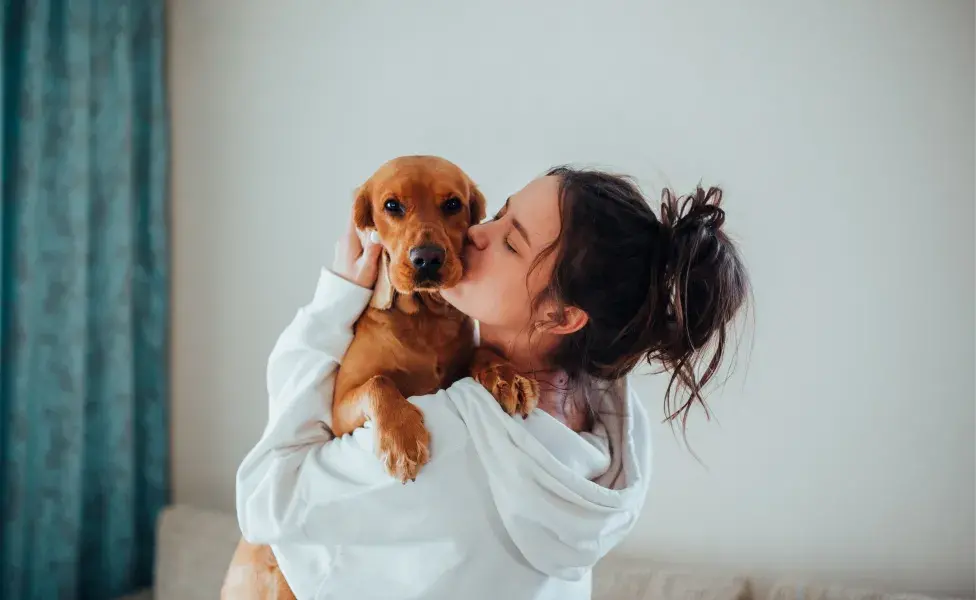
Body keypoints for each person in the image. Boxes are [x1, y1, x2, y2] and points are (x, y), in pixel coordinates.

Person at [234, 166, 751, 599]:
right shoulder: (618, 426)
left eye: (510, 241)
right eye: (498, 213)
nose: (475, 233)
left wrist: (332, 305)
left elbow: (264, 501)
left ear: (563, 316)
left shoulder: (451, 436)